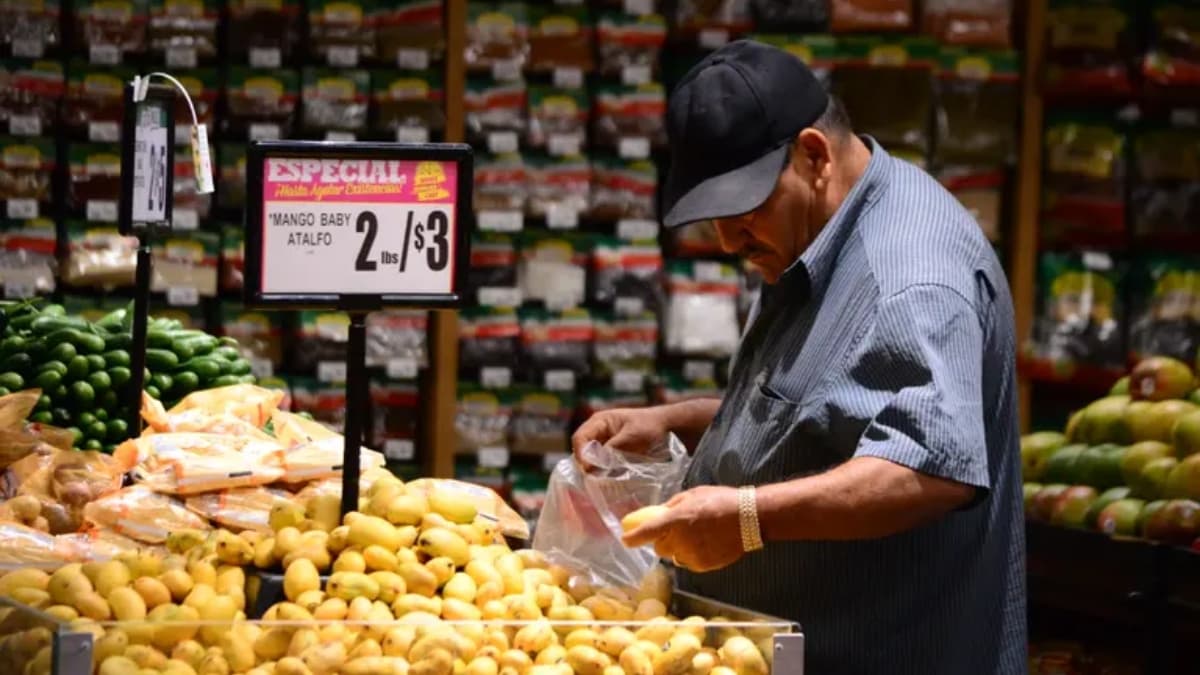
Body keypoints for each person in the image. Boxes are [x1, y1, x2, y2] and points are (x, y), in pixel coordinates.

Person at [572, 39, 1027, 674]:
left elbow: (929, 469)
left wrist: (747, 520)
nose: (728, 238)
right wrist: (676, 422)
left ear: (813, 154)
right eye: (712, 217)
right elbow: (825, 408)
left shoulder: (910, 275)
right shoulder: (811, 235)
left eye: (742, 208)